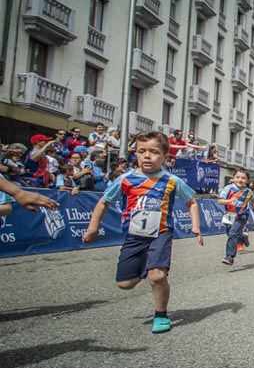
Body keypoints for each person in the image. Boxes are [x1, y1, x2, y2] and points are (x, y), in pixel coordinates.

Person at [83, 131, 202, 334]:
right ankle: (147, 267)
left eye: (154, 152)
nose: (147, 156)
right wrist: (93, 227)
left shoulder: (172, 181)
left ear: (165, 156)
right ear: (135, 153)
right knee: (125, 284)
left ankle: (161, 314)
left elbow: (191, 201)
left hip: (161, 233)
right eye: (142, 151)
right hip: (134, 236)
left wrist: (196, 226)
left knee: (156, 276)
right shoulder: (125, 180)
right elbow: (104, 202)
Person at [217, 168, 254, 266]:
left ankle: (229, 257)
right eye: (238, 177)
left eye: (243, 178)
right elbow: (220, 201)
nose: (240, 180)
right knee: (231, 234)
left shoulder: (248, 191)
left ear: (247, 180)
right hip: (229, 215)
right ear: (233, 178)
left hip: (242, 215)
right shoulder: (228, 188)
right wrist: (230, 201)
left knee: (233, 233)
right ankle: (243, 237)